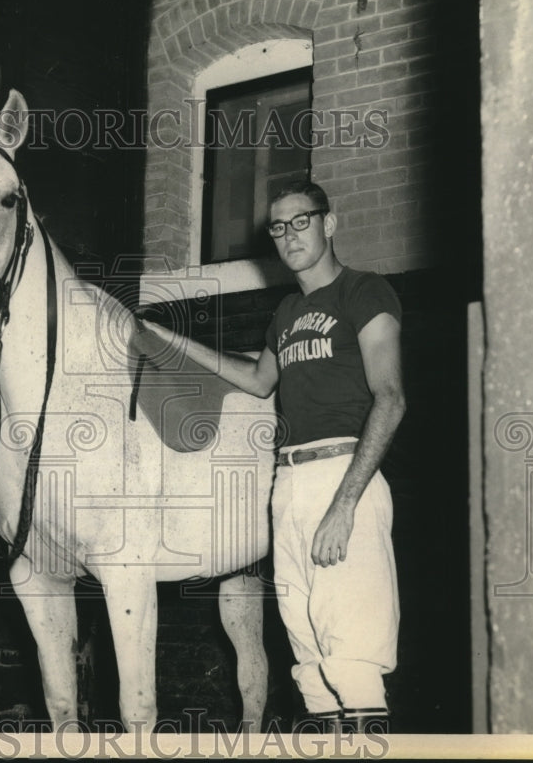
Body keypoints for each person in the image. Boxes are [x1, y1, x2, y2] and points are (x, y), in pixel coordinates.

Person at [139, 179, 405, 733]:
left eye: (301, 221)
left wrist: (345, 503)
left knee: (352, 656)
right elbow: (258, 381)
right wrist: (171, 339)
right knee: (309, 661)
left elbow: (391, 397)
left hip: (344, 473)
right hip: (288, 485)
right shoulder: (286, 311)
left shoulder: (365, 291)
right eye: (278, 228)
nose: (289, 236)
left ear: (328, 223)